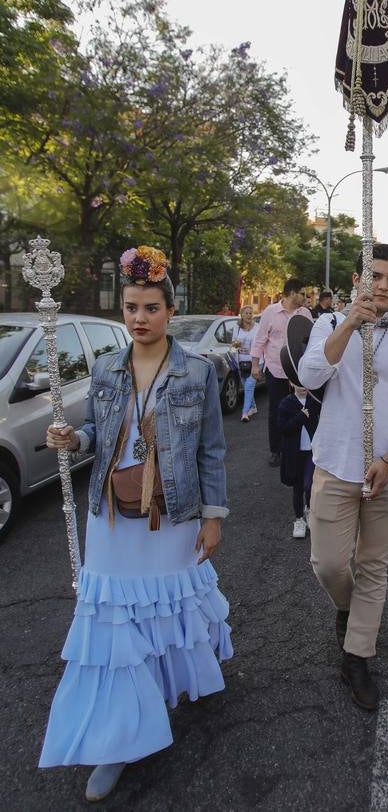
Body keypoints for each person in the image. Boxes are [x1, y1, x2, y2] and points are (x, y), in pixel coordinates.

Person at [39, 246, 232, 801]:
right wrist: (72, 440)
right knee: (112, 624)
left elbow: (212, 451)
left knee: (167, 604)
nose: (139, 318)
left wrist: (213, 518)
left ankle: (166, 689)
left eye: (150, 307)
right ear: (121, 310)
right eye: (130, 308)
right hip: (112, 518)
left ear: (171, 310)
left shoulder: (196, 370)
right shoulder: (105, 367)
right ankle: (118, 740)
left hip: (171, 514)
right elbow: (98, 438)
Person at [298, 244, 388, 710]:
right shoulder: (329, 324)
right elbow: (311, 376)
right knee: (330, 565)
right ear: (358, 280)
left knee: (374, 566)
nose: (382, 285)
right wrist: (350, 323)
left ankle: (356, 657)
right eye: (374, 276)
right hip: (335, 464)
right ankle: (347, 609)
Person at [251, 279, 312, 467]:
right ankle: (276, 450)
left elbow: (311, 340)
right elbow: (260, 339)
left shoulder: (305, 313)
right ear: (292, 293)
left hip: (299, 373)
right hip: (276, 371)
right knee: (276, 411)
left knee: (301, 410)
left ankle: (296, 449)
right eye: (302, 293)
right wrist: (255, 365)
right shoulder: (271, 312)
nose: (305, 297)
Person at [278, 383, 321, 537]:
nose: (302, 387)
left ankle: (309, 509)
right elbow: (283, 428)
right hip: (294, 453)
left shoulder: (314, 401)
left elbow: (320, 422)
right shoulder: (286, 403)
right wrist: (301, 417)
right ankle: (298, 520)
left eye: (305, 383)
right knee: (297, 487)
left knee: (309, 485)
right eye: (297, 383)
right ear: (290, 383)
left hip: (311, 452)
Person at [233, 304, 259, 422]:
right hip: (241, 361)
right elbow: (233, 345)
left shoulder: (257, 327)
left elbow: (260, 344)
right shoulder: (237, 328)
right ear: (242, 315)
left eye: (250, 313)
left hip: (255, 361)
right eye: (246, 313)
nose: (249, 315)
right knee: (246, 386)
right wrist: (236, 344)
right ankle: (253, 407)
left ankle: (244, 413)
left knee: (249, 386)